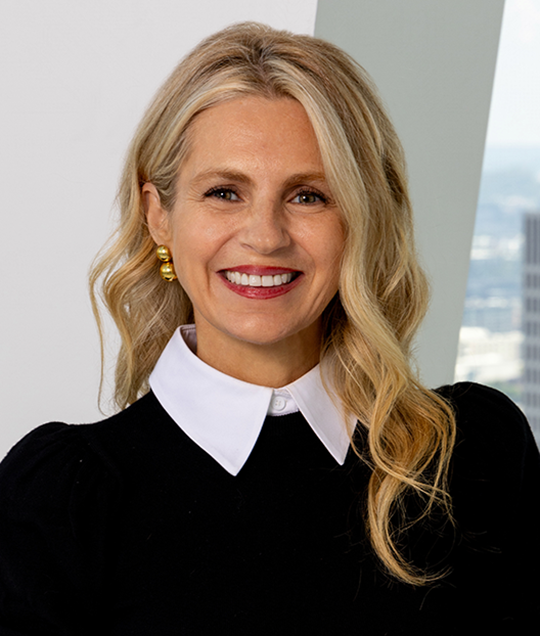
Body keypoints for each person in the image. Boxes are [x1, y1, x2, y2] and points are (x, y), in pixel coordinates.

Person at [0, 22, 538, 635]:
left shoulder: (472, 455)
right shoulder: (64, 499)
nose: (264, 236)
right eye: (224, 192)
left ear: (362, 218)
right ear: (158, 216)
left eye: (308, 196)